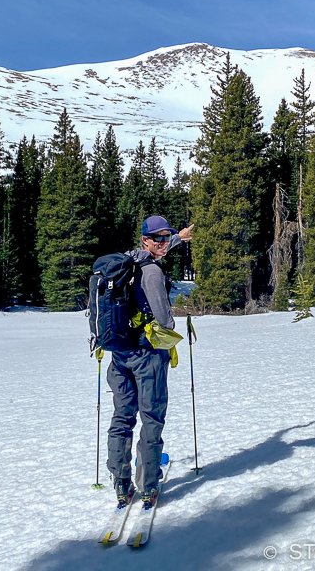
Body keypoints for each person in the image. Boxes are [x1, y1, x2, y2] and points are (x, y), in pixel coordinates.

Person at [106, 215, 193, 509]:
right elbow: (165, 319)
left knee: (122, 419)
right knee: (151, 419)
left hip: (120, 355)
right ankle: (148, 487)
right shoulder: (152, 272)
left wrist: (178, 238)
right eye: (158, 238)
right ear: (145, 240)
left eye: (166, 237)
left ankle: (121, 485)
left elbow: (161, 249)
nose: (163, 243)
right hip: (147, 355)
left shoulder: (126, 262)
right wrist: (169, 346)